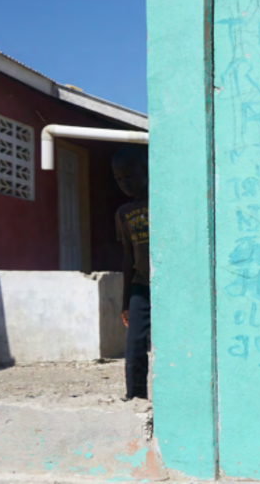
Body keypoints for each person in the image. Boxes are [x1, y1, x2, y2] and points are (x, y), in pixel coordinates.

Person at [113, 145, 150, 401]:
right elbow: (128, 256)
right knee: (134, 344)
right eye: (118, 178)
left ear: (146, 171)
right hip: (140, 286)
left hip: (168, 285)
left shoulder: (160, 203)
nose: (124, 182)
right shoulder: (123, 213)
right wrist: (125, 301)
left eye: (129, 175)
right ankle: (135, 396)